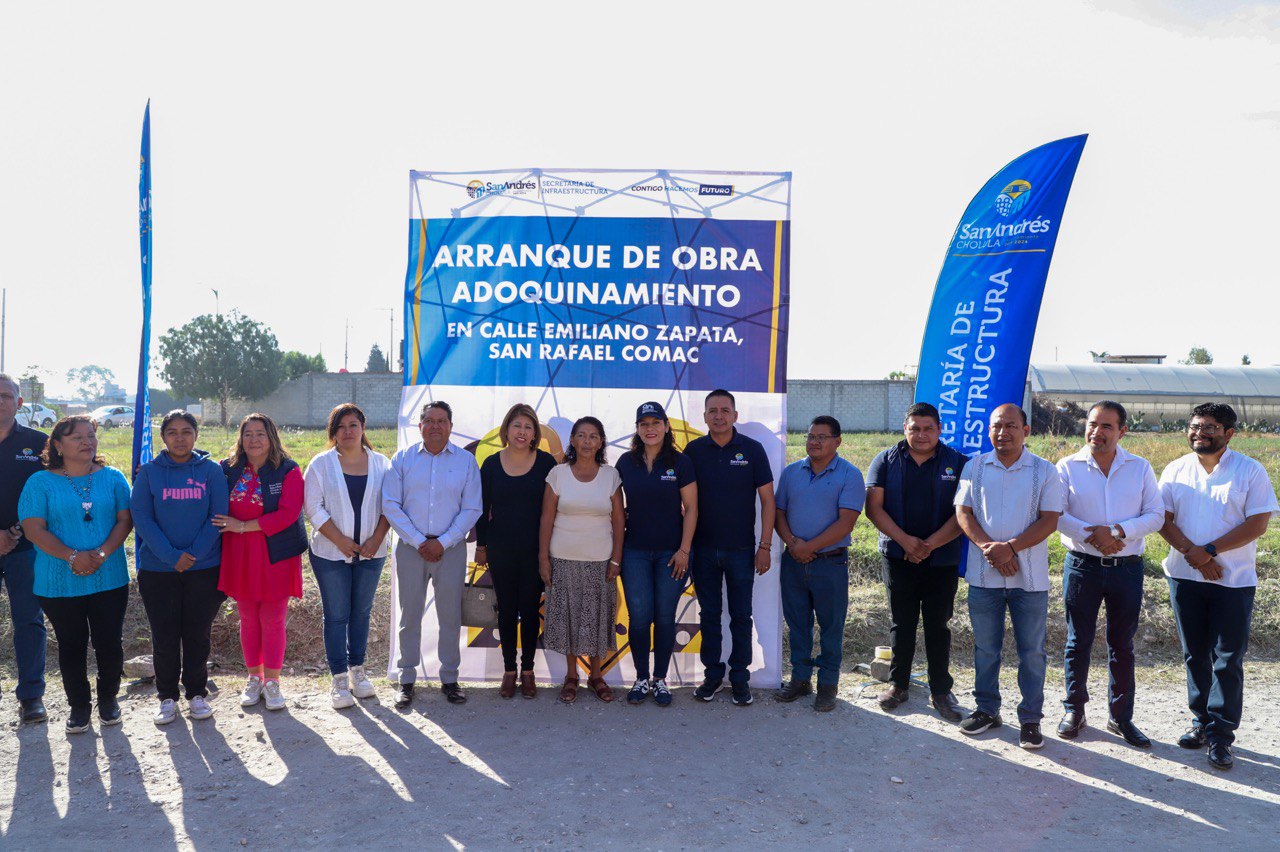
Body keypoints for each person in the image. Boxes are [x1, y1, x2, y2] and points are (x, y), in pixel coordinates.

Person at [1157, 403, 1278, 771]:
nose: (1199, 433)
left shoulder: (1249, 471)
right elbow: (1162, 519)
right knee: (1195, 653)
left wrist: (1209, 553)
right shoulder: (1176, 470)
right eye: (1194, 426)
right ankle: (1201, 723)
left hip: (1233, 581)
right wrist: (1192, 555)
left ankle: (1222, 735)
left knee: (1228, 659)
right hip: (1184, 576)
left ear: (1229, 433)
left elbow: (1258, 523)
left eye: (1209, 427)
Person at [954, 403, 1064, 749]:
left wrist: (1011, 549)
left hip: (1028, 579)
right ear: (989, 431)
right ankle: (987, 709)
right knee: (986, 648)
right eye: (996, 426)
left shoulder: (1044, 471)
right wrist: (991, 548)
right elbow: (963, 511)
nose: (1003, 432)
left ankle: (1030, 719)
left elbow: (1050, 519)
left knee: (1031, 651)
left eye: (1011, 426)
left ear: (1025, 431)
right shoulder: (975, 466)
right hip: (984, 575)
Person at [1054, 401, 1164, 747]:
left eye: (1106, 427)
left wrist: (1115, 531)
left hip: (1126, 569)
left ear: (1122, 431)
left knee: (1122, 644)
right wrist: (1094, 534)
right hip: (1082, 566)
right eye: (1091, 424)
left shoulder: (1139, 467)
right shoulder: (1067, 466)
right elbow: (1055, 513)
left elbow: (1155, 515)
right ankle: (1075, 709)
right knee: (1078, 641)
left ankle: (1121, 717)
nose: (1096, 432)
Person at [17, 415, 132, 733]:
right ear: (57, 445)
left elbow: (125, 520)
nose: (87, 442)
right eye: (77, 437)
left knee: (109, 642)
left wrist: (102, 554)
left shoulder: (113, 477)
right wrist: (72, 556)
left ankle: (108, 700)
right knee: (71, 644)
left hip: (109, 577)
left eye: (91, 435)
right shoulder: (39, 482)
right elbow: (33, 528)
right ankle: (79, 707)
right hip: (58, 581)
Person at [864, 402, 968, 721]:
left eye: (928, 428)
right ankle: (898, 684)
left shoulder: (958, 463)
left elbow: (963, 512)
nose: (921, 435)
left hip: (942, 560)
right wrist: (906, 542)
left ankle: (940, 689)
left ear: (939, 429)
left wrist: (928, 545)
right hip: (898, 556)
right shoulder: (885, 460)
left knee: (938, 624)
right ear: (905, 428)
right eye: (914, 428)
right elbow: (874, 508)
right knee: (902, 622)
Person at [130, 410, 230, 725]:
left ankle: (197, 694)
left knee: (197, 634)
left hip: (204, 567)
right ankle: (167, 697)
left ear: (196, 435)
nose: (180, 438)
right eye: (172, 432)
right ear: (163, 437)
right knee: (165, 636)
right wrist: (173, 556)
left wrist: (195, 554)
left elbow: (218, 515)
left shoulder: (211, 471)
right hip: (159, 570)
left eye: (186, 431)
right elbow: (142, 519)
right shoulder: (148, 472)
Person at [383, 401, 482, 709]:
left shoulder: (466, 462)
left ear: (450, 426)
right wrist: (417, 541)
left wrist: (444, 541)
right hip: (411, 550)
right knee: (409, 615)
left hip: (450, 550)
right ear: (420, 426)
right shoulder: (402, 460)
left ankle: (450, 678)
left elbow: (472, 508)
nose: (436, 426)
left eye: (442, 421)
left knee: (450, 616)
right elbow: (390, 505)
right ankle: (406, 679)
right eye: (429, 420)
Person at [684, 389, 775, 706]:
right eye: (713, 411)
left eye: (725, 410)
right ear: (705, 416)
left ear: (735, 415)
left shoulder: (752, 450)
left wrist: (764, 545)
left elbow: (767, 501)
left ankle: (740, 679)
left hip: (741, 550)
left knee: (741, 616)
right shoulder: (693, 451)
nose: (719, 416)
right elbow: (684, 503)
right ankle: (712, 676)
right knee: (709, 615)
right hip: (704, 549)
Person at [214, 413, 306, 713]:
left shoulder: (289, 471)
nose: (254, 440)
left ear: (272, 437)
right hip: (238, 554)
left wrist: (242, 526)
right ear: (240, 438)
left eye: (260, 434)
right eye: (248, 434)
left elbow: (288, 514)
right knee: (248, 617)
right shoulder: (226, 470)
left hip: (275, 553)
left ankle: (273, 682)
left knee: (273, 618)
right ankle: (254, 677)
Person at [303, 403, 392, 710]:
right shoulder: (321, 464)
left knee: (361, 612)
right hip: (329, 553)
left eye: (353, 425)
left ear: (363, 428)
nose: (348, 431)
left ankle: (358, 670)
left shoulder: (382, 463)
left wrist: (376, 538)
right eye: (341, 427)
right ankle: (339, 678)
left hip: (372, 552)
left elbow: (390, 506)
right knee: (337, 614)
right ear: (333, 433)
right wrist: (340, 540)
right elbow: (313, 508)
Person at [773, 415, 865, 712]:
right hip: (794, 563)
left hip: (830, 564)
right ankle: (800, 679)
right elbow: (779, 513)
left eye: (821, 437)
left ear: (837, 441)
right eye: (810, 436)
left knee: (831, 625)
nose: (814, 442)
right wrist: (793, 544)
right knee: (797, 624)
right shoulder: (791, 473)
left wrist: (808, 547)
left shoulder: (850, 475)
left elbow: (846, 523)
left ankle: (828, 684)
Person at [538, 416, 625, 704]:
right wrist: (543, 558)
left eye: (594, 436)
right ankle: (572, 675)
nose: (587, 441)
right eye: (582, 436)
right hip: (562, 559)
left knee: (598, 619)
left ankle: (597, 675)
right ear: (572, 440)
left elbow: (619, 521)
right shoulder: (558, 474)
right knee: (569, 620)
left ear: (601, 442)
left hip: (600, 561)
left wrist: (615, 560)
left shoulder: (611, 476)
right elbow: (546, 518)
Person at [616, 401, 697, 707]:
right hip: (634, 551)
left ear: (666, 426)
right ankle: (640, 678)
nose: (650, 429)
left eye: (655, 423)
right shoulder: (625, 462)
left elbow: (692, 509)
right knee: (639, 617)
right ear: (637, 429)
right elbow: (613, 507)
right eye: (643, 424)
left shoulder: (680, 462)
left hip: (671, 553)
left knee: (664, 617)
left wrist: (684, 550)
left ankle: (660, 680)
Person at [474, 403, 557, 700]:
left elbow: (555, 510)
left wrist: (549, 552)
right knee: (507, 611)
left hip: (536, 550)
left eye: (528, 427)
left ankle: (529, 672)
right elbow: (483, 511)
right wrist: (481, 546)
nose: (522, 432)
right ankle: (510, 671)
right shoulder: (492, 465)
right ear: (506, 429)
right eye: (517, 426)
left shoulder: (547, 463)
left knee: (530, 611)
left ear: (535, 433)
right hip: (501, 549)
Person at [0, 374, 49, 724]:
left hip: (25, 548)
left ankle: (31, 696)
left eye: (5, 395)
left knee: (29, 621)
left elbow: (52, 492)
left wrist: (14, 531)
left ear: (19, 403)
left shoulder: (39, 443)